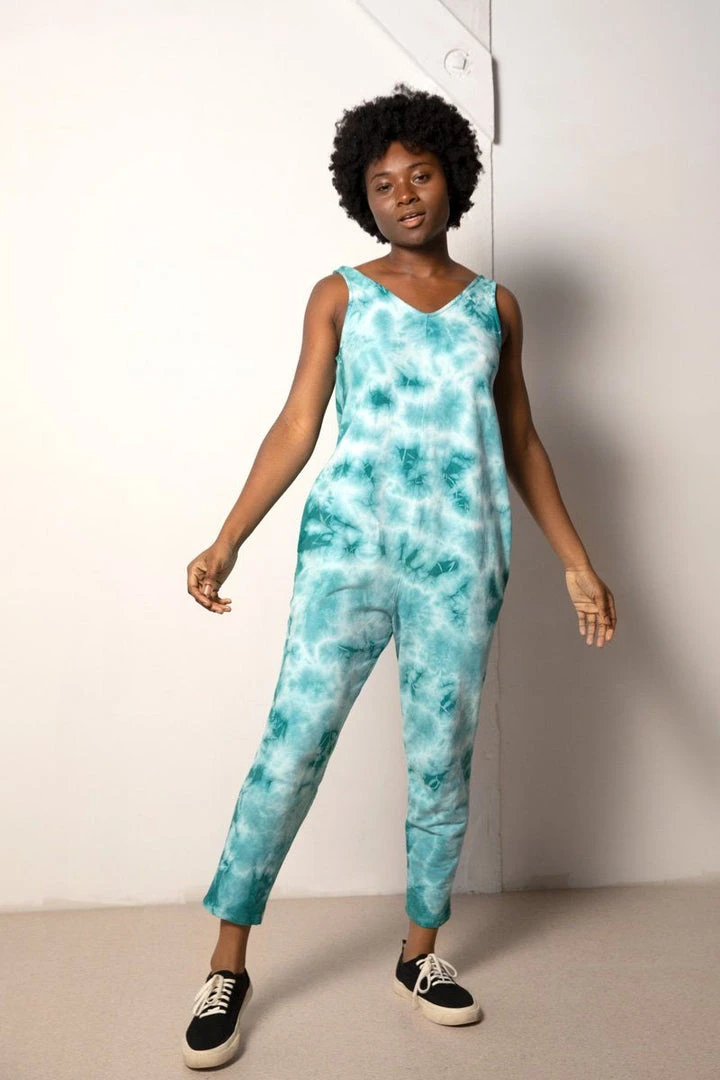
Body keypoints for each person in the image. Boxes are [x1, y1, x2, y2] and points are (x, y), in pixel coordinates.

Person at [181, 81, 617, 1068]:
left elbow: (521, 440)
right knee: (290, 748)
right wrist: (228, 537)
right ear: (362, 196)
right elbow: (297, 424)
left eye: (420, 175)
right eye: (383, 183)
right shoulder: (339, 294)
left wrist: (579, 564)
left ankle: (419, 953)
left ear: (452, 179)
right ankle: (227, 963)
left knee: (441, 755)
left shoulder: (496, 307)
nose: (404, 194)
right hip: (349, 550)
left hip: (461, 562)